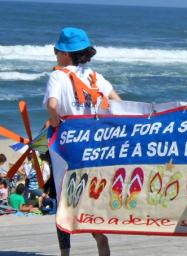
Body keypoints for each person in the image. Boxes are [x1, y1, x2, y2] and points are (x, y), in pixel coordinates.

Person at [43, 27, 121, 256]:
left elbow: (52, 105)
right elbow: (119, 104)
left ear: (66, 54)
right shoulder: (97, 78)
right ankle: (100, 240)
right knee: (90, 199)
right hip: (95, 150)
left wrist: (55, 123)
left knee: (64, 202)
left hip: (67, 150)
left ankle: (65, 254)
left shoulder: (58, 75)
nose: (56, 54)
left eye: (57, 50)